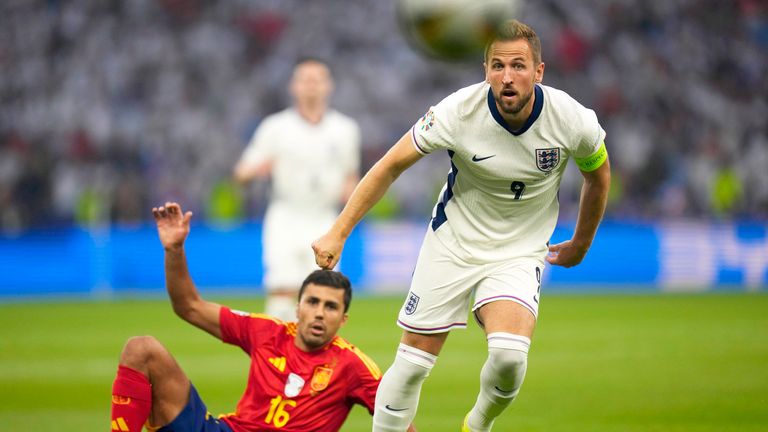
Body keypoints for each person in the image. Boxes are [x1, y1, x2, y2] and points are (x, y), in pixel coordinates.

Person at [312, 20, 611, 432]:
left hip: (520, 251)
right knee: (412, 365)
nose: (508, 77)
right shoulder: (456, 112)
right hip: (453, 242)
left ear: (539, 72)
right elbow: (390, 165)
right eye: (498, 66)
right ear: (485, 69)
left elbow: (599, 175)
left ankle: (478, 424)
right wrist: (339, 231)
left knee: (509, 358)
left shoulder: (572, 120)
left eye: (519, 66)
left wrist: (581, 241)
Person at [109, 202, 411, 432]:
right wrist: (174, 250)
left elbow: (398, 419)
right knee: (141, 349)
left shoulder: (352, 366)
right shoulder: (267, 332)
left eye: (331, 307)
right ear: (298, 308)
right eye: (313, 302)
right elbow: (188, 306)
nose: (319, 313)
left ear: (343, 319)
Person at [233, 57, 361, 322]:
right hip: (285, 216)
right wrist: (255, 170)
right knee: (282, 291)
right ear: (294, 86)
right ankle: (280, 360)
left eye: (318, 79)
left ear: (329, 86)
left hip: (325, 219)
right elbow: (241, 173)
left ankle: (316, 362)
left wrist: (350, 198)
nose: (311, 85)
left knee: (327, 292)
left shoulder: (346, 129)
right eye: (305, 79)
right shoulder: (275, 127)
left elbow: (351, 176)